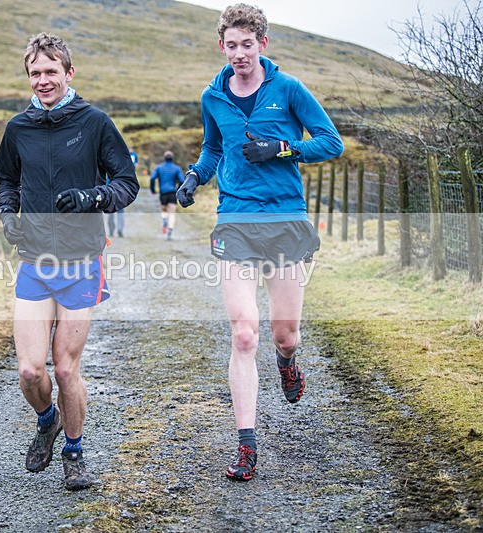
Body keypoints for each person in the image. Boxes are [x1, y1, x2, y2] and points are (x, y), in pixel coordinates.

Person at [176, 4, 343, 481]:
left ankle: (287, 362)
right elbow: (213, 149)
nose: (239, 53)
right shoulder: (213, 96)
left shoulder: (288, 89)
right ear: (223, 46)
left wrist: (283, 149)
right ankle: (246, 446)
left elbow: (331, 142)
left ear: (262, 44)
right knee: (244, 331)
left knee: (283, 332)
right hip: (236, 220)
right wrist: (194, 178)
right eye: (231, 45)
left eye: (247, 44)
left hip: (286, 220)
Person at [0, 33, 139, 490]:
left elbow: (126, 183)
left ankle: (74, 452)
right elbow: (6, 180)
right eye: (35, 73)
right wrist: (6, 214)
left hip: (81, 261)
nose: (42, 80)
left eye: (51, 72)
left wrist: (92, 197)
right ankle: (47, 419)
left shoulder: (95, 123)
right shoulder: (18, 128)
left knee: (65, 368)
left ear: (69, 73)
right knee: (29, 371)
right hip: (35, 261)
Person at [149, 150, 184, 240]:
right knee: (172, 214)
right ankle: (169, 232)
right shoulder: (177, 168)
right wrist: (178, 189)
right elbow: (181, 181)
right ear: (172, 158)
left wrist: (153, 189)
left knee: (163, 209)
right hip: (172, 192)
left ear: (164, 158)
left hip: (163, 193)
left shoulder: (159, 167)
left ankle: (164, 219)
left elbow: (152, 178)